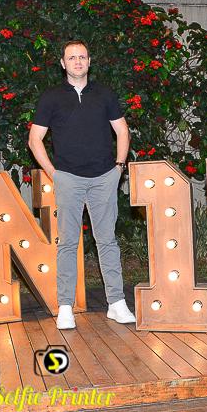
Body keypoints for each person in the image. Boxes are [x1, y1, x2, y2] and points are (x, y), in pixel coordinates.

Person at [28, 40, 136, 329]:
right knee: (68, 243)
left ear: (89, 61)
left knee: (107, 241)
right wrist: (54, 173)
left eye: (82, 57)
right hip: (69, 178)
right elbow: (35, 140)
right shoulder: (51, 97)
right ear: (63, 63)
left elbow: (122, 131)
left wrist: (119, 167)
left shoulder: (104, 94)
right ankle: (65, 307)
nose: (77, 61)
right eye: (72, 57)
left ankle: (116, 303)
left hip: (104, 177)